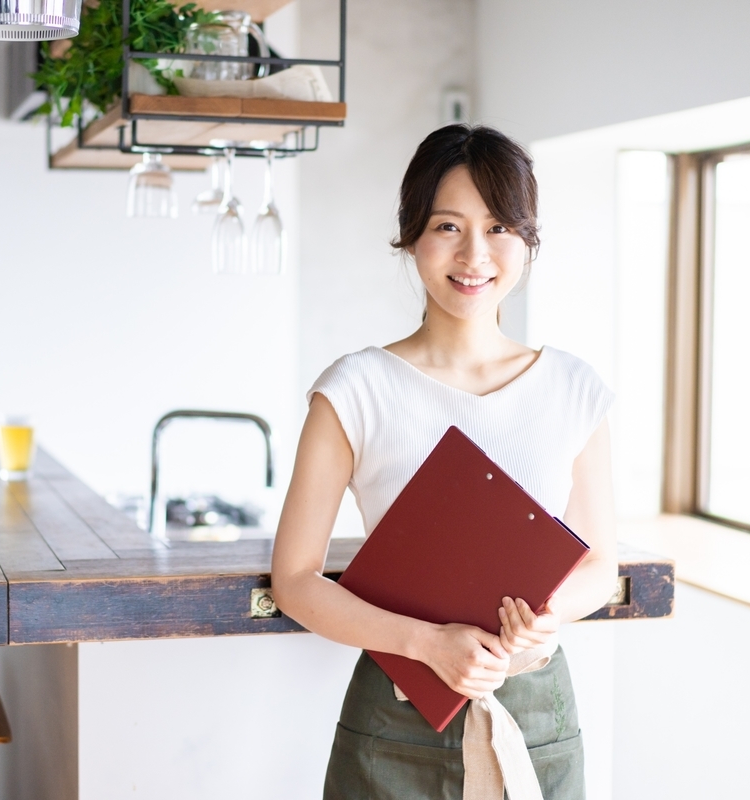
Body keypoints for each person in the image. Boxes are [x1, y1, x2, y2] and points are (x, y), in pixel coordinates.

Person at [270, 124, 618, 800]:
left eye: (498, 227)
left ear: (527, 240)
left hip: (534, 707)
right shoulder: (356, 388)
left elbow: (600, 564)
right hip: (398, 712)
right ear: (412, 235)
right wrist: (429, 646)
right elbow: (294, 578)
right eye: (448, 226)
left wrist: (545, 616)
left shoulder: (575, 389)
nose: (475, 254)